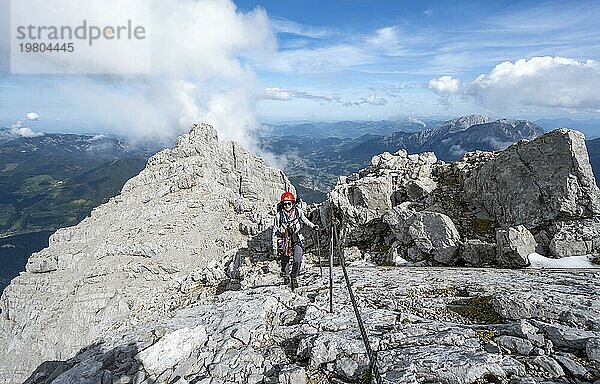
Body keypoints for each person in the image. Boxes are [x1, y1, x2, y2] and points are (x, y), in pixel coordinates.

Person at [272, 191, 318, 289]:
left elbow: (304, 220)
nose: (287, 205)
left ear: (293, 203)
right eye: (285, 204)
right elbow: (275, 232)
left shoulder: (298, 211)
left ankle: (294, 276)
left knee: (298, 259)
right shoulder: (279, 216)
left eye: (289, 203)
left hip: (297, 237)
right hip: (284, 239)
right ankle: (286, 276)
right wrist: (275, 248)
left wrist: (313, 226)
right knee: (285, 260)